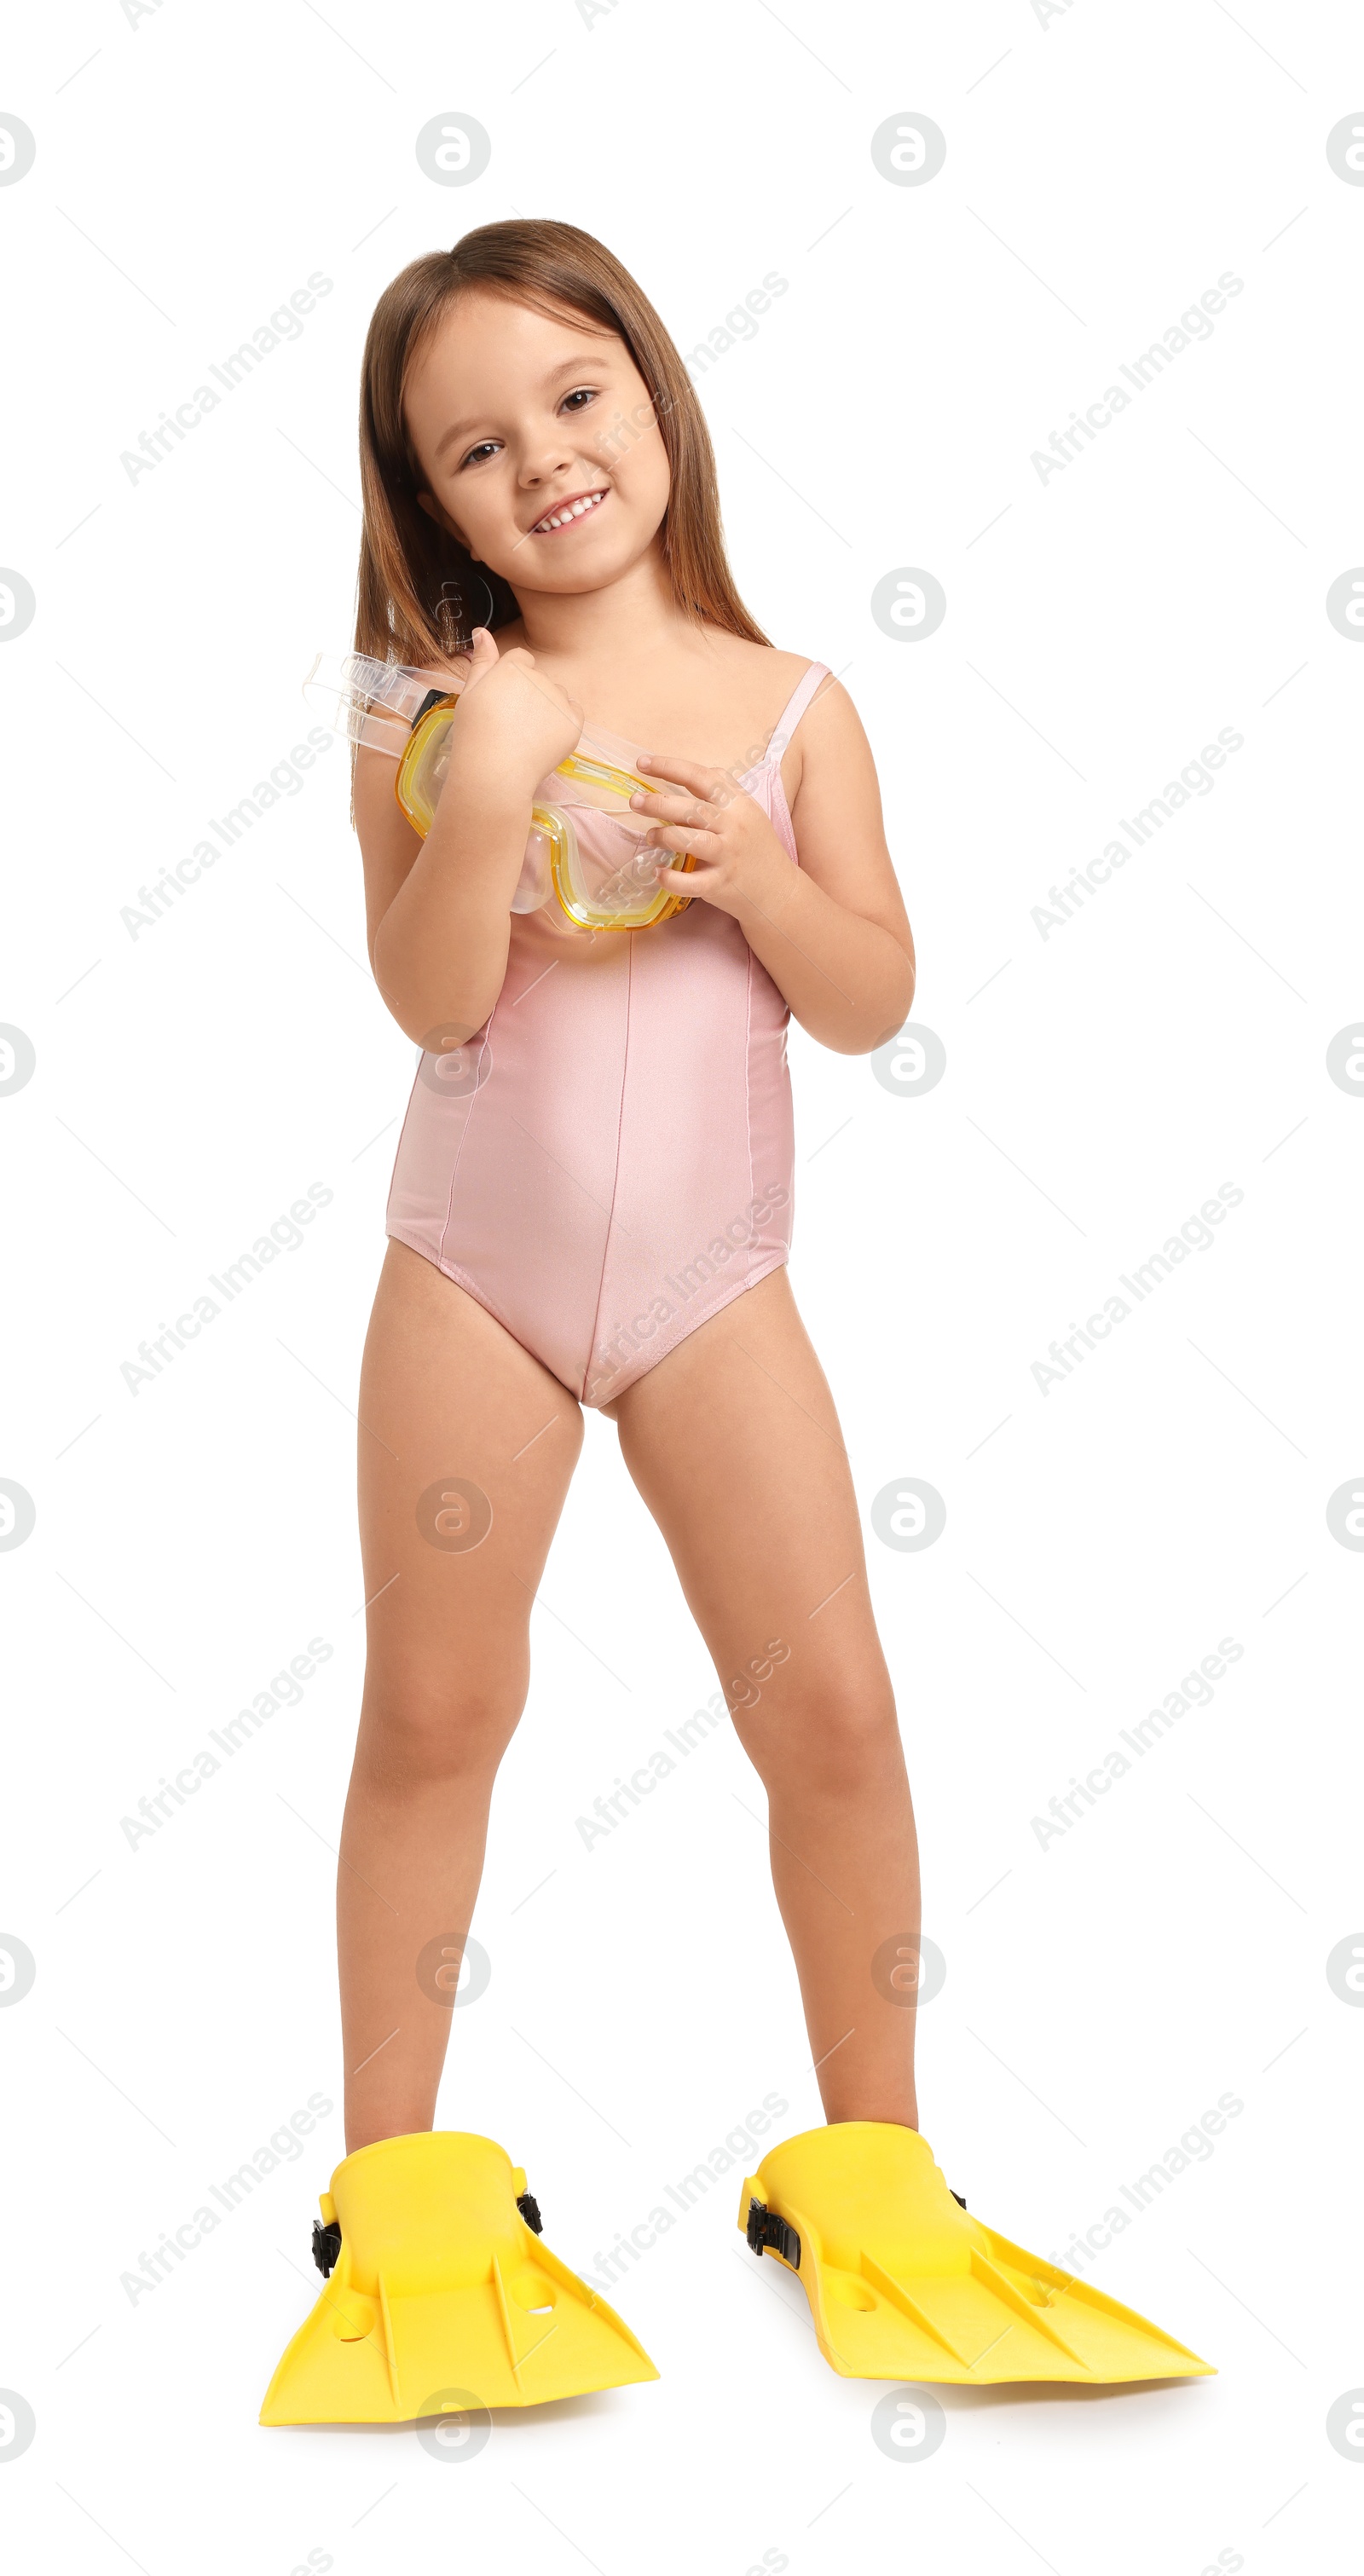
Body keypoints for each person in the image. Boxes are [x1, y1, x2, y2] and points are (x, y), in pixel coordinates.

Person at [262, 222, 1208, 2424]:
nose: (545, 462)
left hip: (717, 1292)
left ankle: (868, 2160)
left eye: (576, 399)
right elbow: (427, 994)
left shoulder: (797, 707)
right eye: (473, 447)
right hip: (468, 1284)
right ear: (433, 503)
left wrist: (760, 874)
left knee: (839, 1719)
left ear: (657, 395)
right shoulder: (423, 709)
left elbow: (872, 999)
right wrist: (492, 767)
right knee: (433, 1715)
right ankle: (394, 2182)